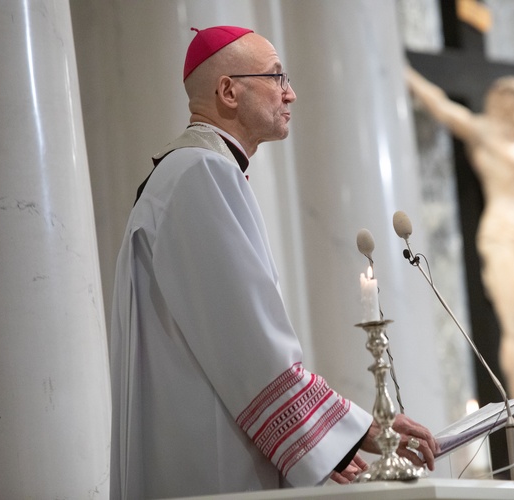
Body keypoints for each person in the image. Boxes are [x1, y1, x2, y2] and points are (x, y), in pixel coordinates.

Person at [109, 26, 437, 499]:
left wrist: (323, 447)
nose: (291, 93)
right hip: (210, 464)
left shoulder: (195, 173)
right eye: (277, 77)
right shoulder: (201, 174)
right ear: (228, 91)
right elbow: (249, 342)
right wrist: (354, 433)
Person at [406, 66, 514, 449]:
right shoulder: (482, 131)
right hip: (502, 232)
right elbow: (440, 105)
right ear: (499, 105)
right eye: (512, 103)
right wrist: (406, 73)